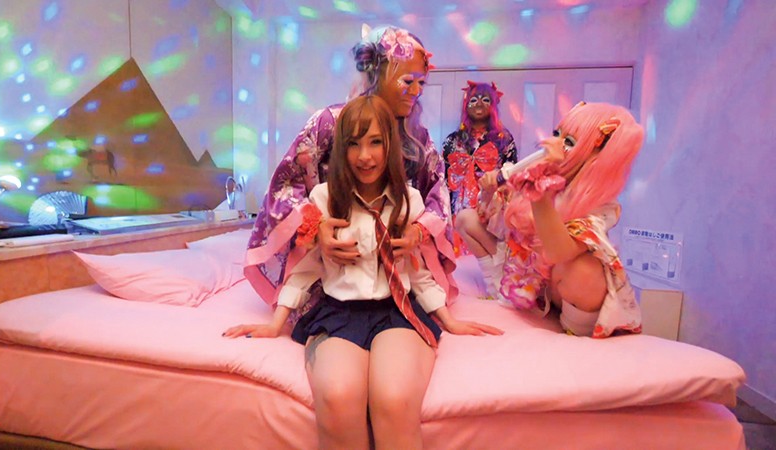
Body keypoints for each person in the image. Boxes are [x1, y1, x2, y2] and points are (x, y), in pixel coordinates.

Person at [224, 96, 502, 449]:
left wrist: (449, 320)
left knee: (394, 399)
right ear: (341, 149)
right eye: (353, 144)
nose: (364, 156)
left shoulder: (410, 201)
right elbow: (307, 267)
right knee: (338, 398)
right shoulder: (323, 199)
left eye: (375, 142)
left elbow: (417, 272)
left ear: (390, 145)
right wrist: (276, 323)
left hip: (396, 311)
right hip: (339, 313)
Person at [244, 24, 456, 318]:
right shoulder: (330, 122)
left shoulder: (416, 136)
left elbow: (437, 195)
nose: (417, 91)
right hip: (332, 267)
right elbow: (284, 186)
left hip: (395, 269)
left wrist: (417, 233)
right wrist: (316, 228)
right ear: (377, 73)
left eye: (422, 83)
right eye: (408, 81)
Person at [485, 101, 643, 338]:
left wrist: (539, 191)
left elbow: (560, 253)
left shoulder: (602, 206)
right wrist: (490, 191)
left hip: (577, 299)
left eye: (568, 142)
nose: (554, 144)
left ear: (598, 156)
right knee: (470, 221)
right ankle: (501, 289)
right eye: (557, 134)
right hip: (541, 289)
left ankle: (576, 336)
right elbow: (494, 222)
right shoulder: (550, 182)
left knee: (583, 269)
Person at [442, 81, 517, 298]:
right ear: (466, 105)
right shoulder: (452, 140)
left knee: (494, 244)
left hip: (491, 204)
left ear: (493, 105)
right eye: (473, 99)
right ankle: (480, 290)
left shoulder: (504, 139)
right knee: (460, 254)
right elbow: (443, 177)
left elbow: (512, 173)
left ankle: (499, 286)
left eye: (485, 99)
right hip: (459, 202)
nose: (479, 104)